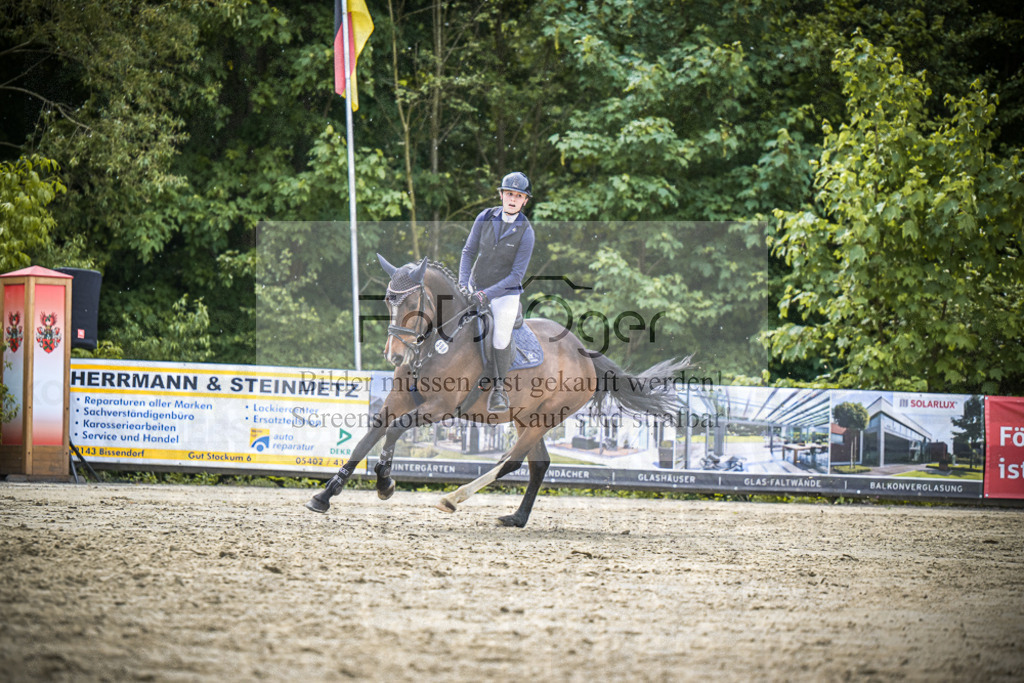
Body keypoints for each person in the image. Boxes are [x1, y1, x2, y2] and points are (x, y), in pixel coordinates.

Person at [459, 171, 535, 413]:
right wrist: (463, 283)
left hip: (506, 294)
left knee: (500, 337)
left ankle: (499, 389)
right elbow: (468, 252)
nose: (512, 199)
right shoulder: (484, 217)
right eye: (509, 194)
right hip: (475, 284)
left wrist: (487, 295)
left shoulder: (526, 232)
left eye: (518, 196)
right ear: (501, 195)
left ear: (525, 201)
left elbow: (516, 275)